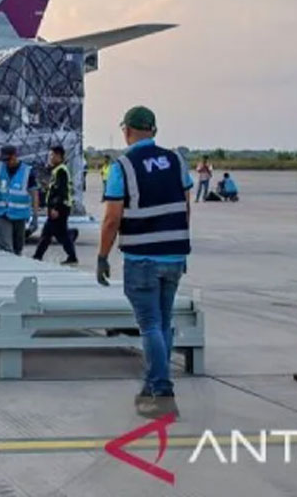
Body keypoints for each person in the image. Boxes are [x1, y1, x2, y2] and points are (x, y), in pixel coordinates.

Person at [98, 105, 192, 419]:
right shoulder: (177, 160)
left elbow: (112, 218)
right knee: (163, 323)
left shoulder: (123, 166)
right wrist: (180, 245)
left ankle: (162, 393)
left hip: (142, 259)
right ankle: (151, 386)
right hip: (174, 255)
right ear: (154, 130)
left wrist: (102, 256)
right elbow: (185, 205)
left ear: (127, 131)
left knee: (150, 326)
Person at [33, 145, 78, 265]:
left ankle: (38, 256)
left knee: (49, 233)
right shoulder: (57, 170)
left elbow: (62, 191)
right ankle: (71, 254)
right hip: (58, 207)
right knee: (57, 233)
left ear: (59, 156)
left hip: (60, 208)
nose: (50, 158)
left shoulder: (61, 171)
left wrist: (55, 208)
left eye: (52, 155)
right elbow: (56, 188)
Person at [0, 145, 37, 255]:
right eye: (4, 160)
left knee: (18, 247)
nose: (6, 162)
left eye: (8, 159)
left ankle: (16, 268)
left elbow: (34, 195)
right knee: (6, 248)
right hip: (3, 214)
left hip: (20, 215)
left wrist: (35, 217)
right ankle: (8, 269)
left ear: (14, 156)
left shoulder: (27, 172)